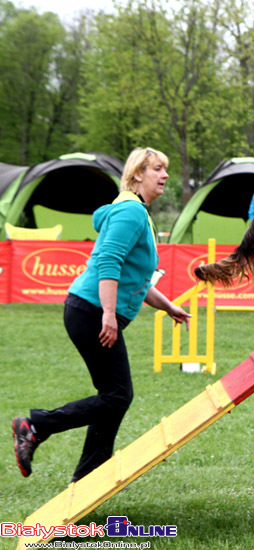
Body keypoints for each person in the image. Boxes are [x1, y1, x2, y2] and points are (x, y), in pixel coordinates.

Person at [12, 147, 191, 482]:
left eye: (166, 169)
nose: (165, 175)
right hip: (92, 311)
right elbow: (109, 262)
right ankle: (35, 426)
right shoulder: (131, 212)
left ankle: (88, 477)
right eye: (157, 169)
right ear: (138, 174)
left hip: (90, 310)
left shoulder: (136, 211)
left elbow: (134, 277)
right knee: (117, 395)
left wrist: (168, 306)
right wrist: (108, 313)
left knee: (113, 397)